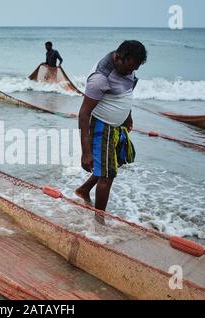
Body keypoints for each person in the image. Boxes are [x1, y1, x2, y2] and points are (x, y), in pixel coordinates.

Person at [75, 40, 147, 215]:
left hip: (117, 126)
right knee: (108, 175)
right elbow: (84, 114)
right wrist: (86, 152)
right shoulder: (100, 79)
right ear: (118, 57)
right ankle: (100, 222)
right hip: (102, 126)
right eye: (129, 67)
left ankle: (84, 190)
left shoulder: (128, 66)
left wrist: (127, 115)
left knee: (118, 160)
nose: (131, 72)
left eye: (134, 68)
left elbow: (127, 89)